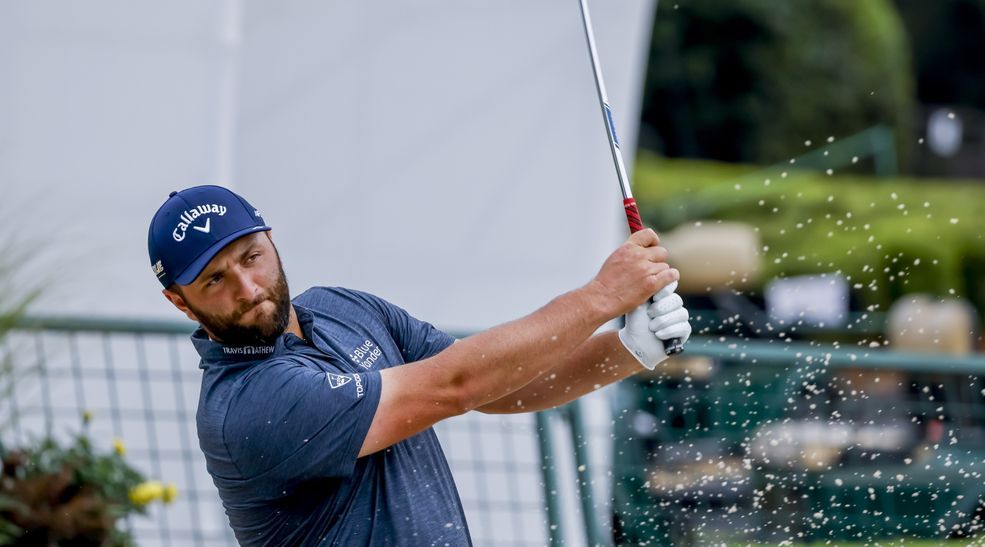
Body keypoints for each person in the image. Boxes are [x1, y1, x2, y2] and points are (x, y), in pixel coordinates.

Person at [147, 185, 690, 546]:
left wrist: (628, 348)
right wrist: (600, 297)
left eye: (251, 257)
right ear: (180, 300)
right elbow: (457, 384)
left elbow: (498, 389)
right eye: (214, 280)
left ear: (271, 240)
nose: (247, 288)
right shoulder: (248, 404)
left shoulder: (343, 308)